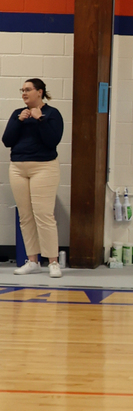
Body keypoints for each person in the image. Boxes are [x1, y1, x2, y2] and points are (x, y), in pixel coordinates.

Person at [2, 78, 64, 278]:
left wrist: (40, 119)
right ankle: (33, 261)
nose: (24, 93)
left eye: (28, 89)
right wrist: (19, 121)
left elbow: (52, 141)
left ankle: (53, 262)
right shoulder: (17, 114)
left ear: (40, 92)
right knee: (25, 216)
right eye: (22, 90)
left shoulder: (52, 114)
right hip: (18, 168)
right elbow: (7, 141)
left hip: (43, 167)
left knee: (44, 214)